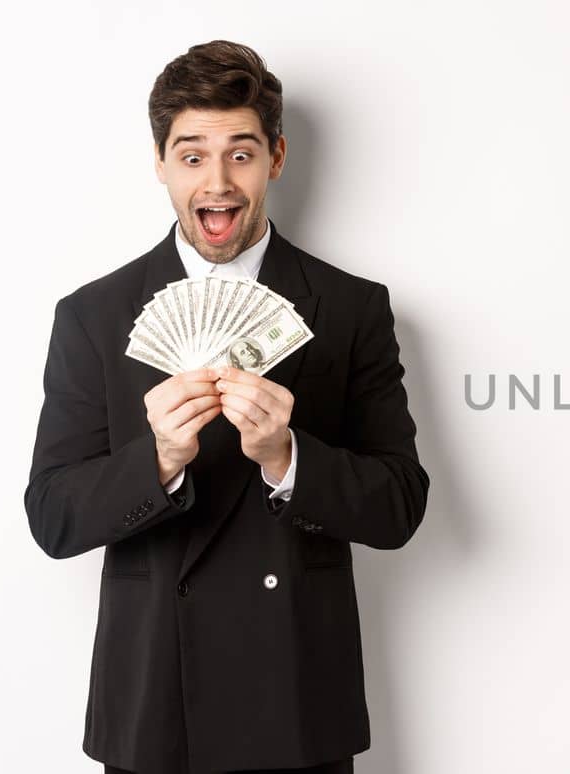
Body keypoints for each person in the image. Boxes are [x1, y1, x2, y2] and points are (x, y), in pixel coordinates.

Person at [23, 40, 429, 774]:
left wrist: (288, 457)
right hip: (153, 713)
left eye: (240, 154)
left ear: (275, 158)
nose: (217, 182)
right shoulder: (93, 315)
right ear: (160, 163)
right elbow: (52, 517)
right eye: (191, 155)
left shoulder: (349, 309)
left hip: (298, 709)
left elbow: (400, 507)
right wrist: (159, 460)